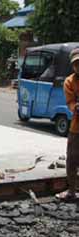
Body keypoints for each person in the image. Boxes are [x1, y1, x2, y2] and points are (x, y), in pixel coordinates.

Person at [57, 48, 79, 202]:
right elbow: (70, 102)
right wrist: (75, 108)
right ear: (73, 66)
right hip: (76, 128)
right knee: (72, 160)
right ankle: (72, 191)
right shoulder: (69, 82)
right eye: (76, 64)